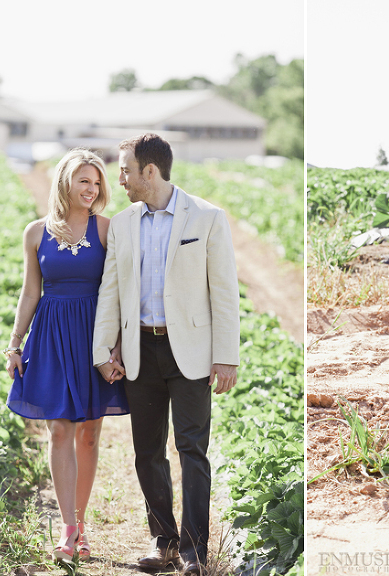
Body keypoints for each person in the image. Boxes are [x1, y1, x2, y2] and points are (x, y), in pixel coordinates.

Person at [92, 133, 240, 575]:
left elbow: (225, 291)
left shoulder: (208, 218)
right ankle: (166, 544)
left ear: (149, 172)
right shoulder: (122, 223)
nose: (118, 179)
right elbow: (111, 292)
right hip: (141, 348)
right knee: (147, 452)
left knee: (192, 449)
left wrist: (226, 355)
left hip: (191, 350)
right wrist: (103, 349)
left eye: (124, 170)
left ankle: (195, 553)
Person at [5, 148, 130, 563]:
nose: (92, 189)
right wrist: (15, 343)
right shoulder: (35, 233)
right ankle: (69, 529)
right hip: (52, 336)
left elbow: (119, 292)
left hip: (94, 336)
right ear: (65, 183)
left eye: (97, 183)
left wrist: (116, 347)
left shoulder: (108, 230)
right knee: (59, 430)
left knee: (90, 433)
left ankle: (81, 519)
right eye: (84, 181)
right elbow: (30, 292)